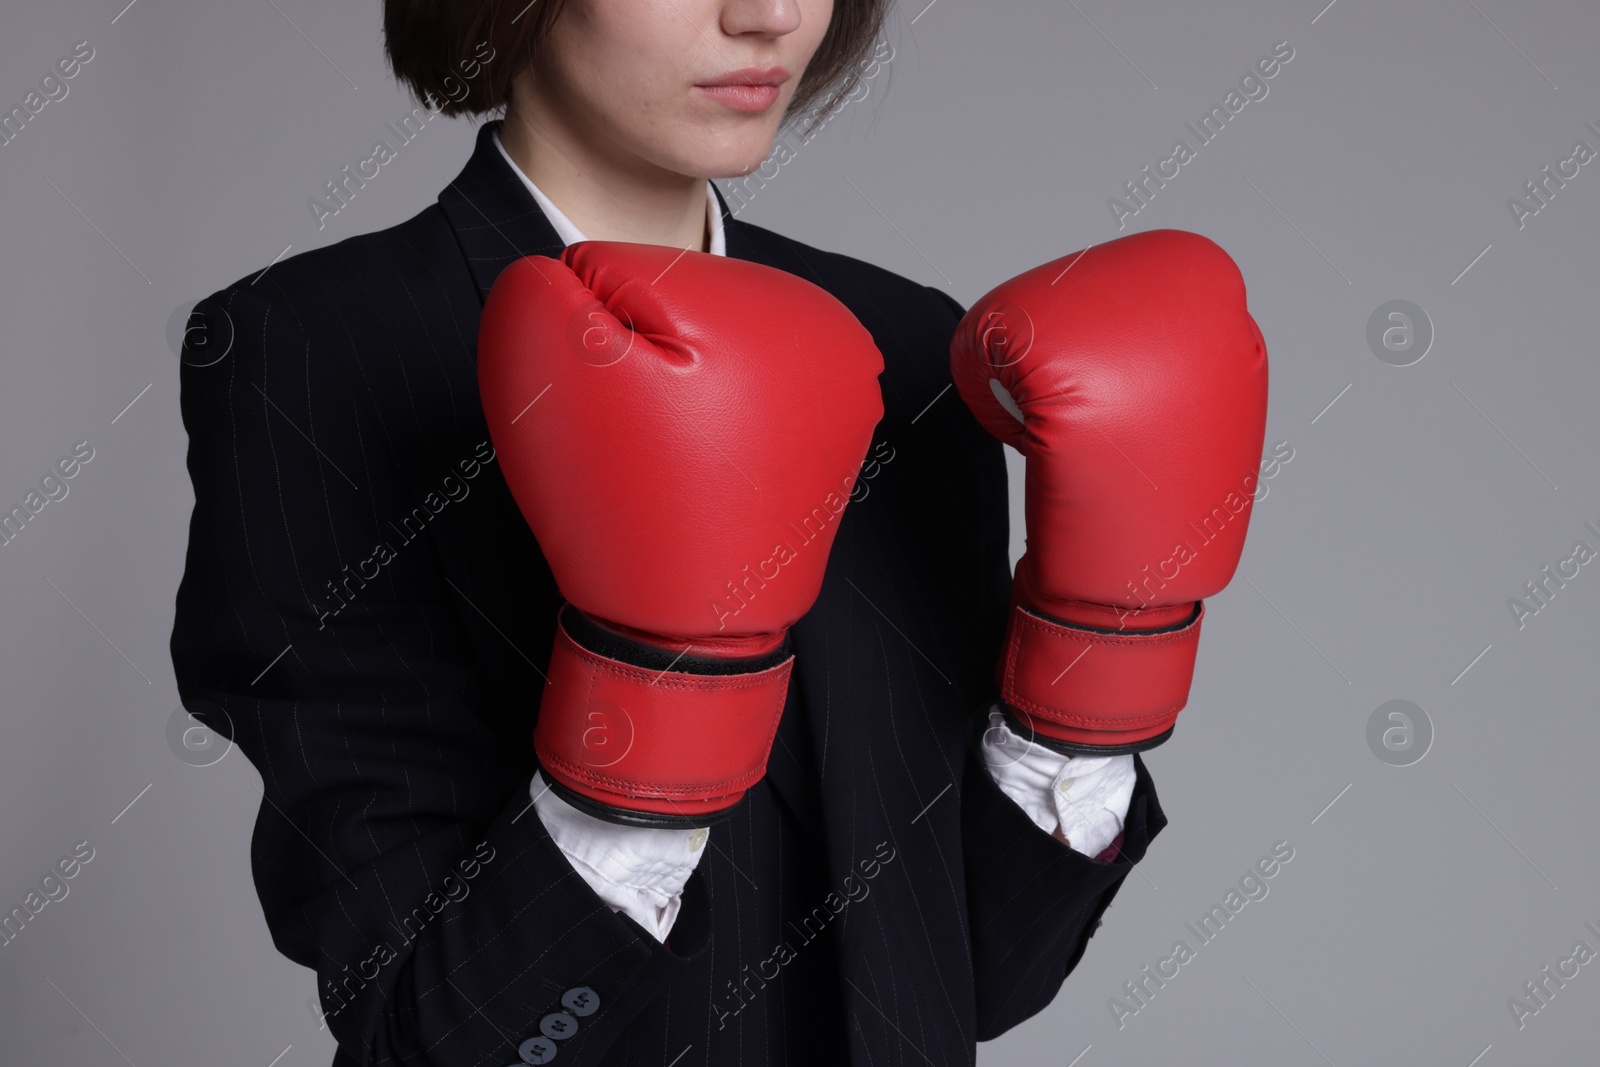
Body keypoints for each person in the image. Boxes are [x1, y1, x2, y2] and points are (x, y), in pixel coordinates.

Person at [169, 1, 1200, 1063]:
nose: (771, 15)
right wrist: (642, 735)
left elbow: (974, 975)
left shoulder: (908, 343)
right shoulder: (316, 353)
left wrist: (1089, 682)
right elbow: (428, 1035)